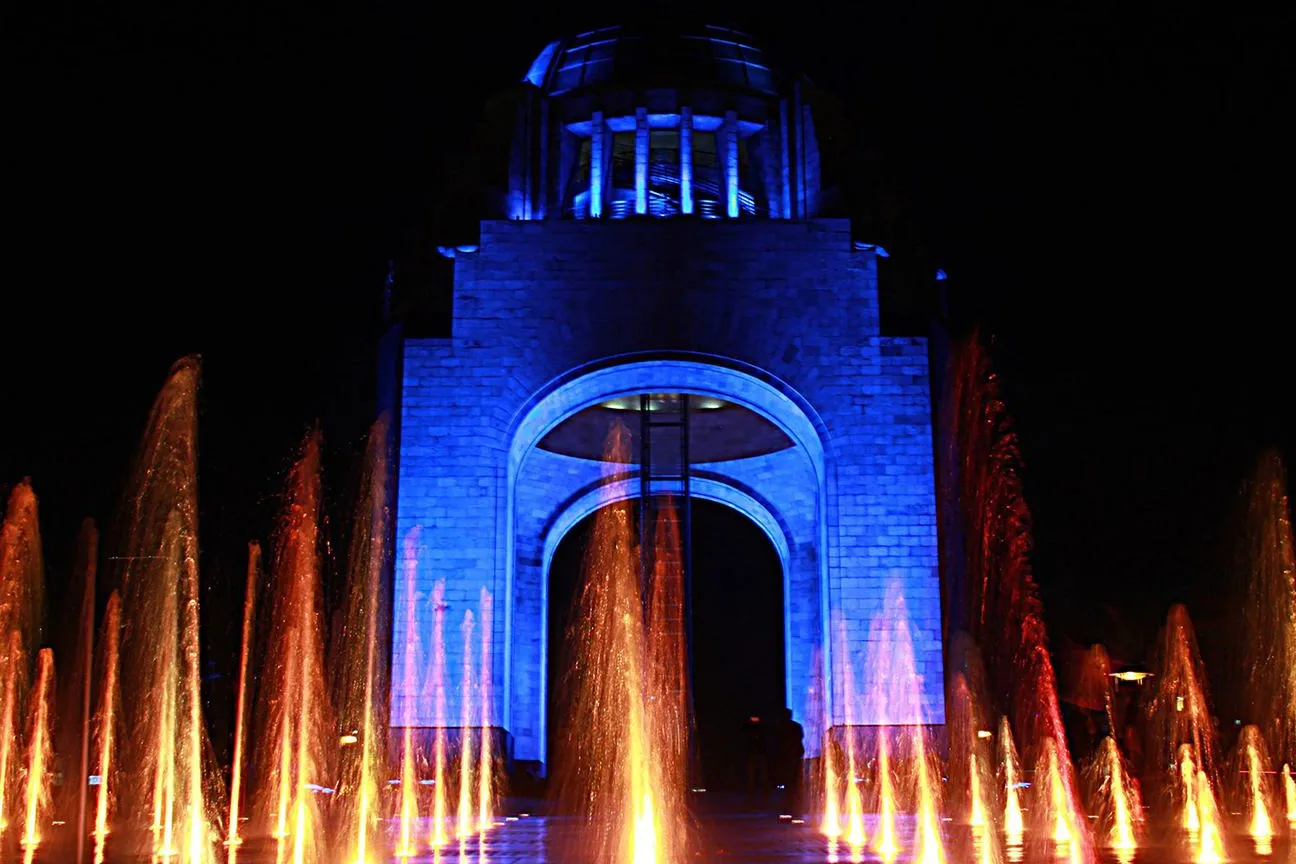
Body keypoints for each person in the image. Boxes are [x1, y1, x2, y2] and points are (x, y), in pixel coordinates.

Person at [773, 707, 805, 817]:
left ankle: (789, 808)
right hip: (793, 758)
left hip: (787, 759)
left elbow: (778, 743)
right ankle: (795, 808)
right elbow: (800, 739)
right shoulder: (795, 726)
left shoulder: (781, 727)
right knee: (794, 785)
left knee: (789, 785)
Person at [744, 714, 769, 809]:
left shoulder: (759, 730)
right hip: (754, 754)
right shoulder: (751, 730)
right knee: (752, 776)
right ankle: (754, 796)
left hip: (758, 754)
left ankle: (761, 796)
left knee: (760, 776)